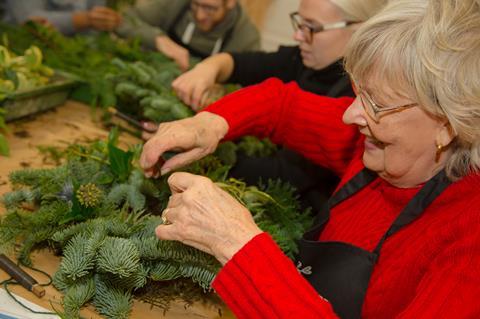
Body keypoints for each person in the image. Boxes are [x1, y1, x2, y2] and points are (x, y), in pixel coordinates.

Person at [140, 0, 480, 318]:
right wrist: (209, 124)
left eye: (376, 104)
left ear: (448, 124)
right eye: (359, 92)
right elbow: (281, 105)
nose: (349, 115)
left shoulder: (468, 243)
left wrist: (237, 245)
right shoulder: (380, 143)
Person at [167, 0, 388, 213]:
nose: (298, 35)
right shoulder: (306, 60)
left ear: (360, 30)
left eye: (311, 27)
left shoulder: (351, 101)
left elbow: (282, 175)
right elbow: (246, 64)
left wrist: (203, 153)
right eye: (299, 23)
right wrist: (209, 68)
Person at [115, 0, 260, 71]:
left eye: (210, 8)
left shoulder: (246, 37)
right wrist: (157, 39)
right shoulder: (174, 4)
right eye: (195, 5)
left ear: (230, 3)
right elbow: (123, 20)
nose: (199, 15)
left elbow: (249, 89)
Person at [3, 0, 122, 35]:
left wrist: (108, 20)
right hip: (23, 51)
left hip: (77, 55)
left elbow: (98, 13)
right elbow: (29, 20)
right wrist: (85, 19)